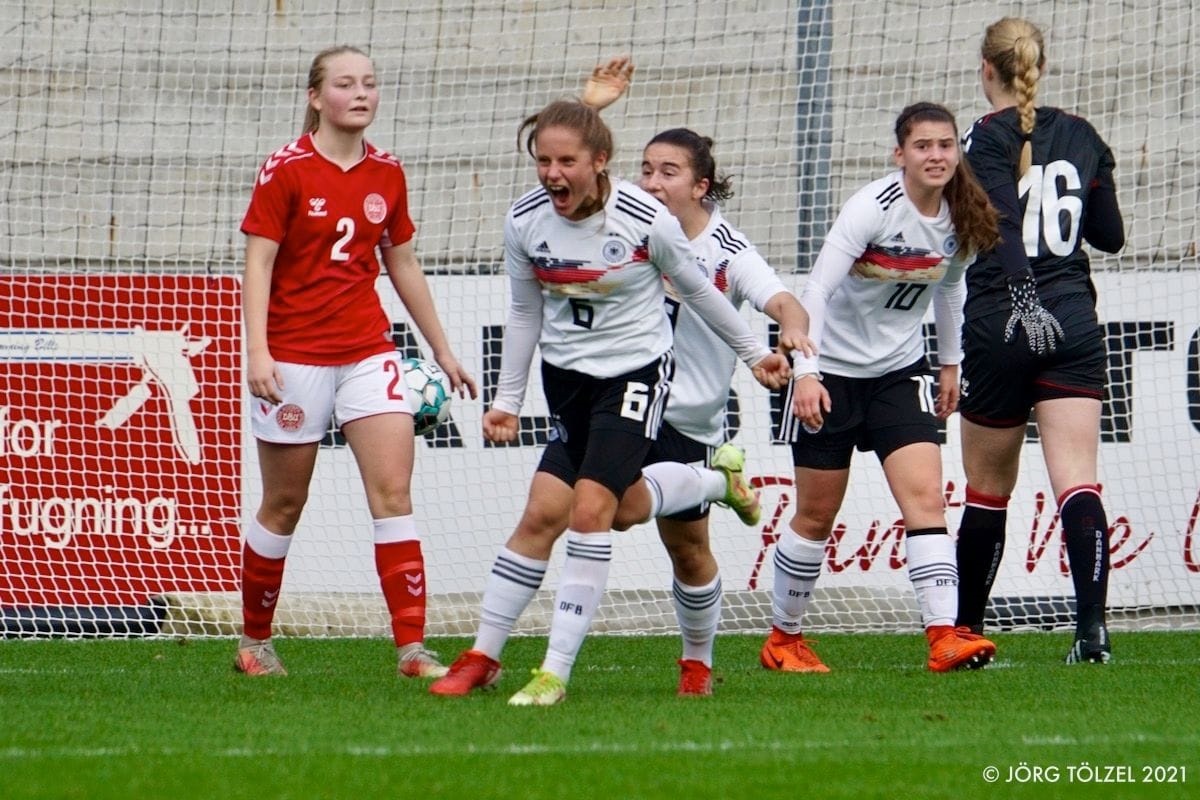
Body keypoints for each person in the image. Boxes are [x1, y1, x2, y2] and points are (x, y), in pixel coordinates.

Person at [430, 58, 813, 700]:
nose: (553, 176)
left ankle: (559, 670)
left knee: (604, 516)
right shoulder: (526, 220)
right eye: (542, 163)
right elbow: (525, 311)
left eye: (567, 163)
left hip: (643, 380)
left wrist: (757, 354)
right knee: (550, 513)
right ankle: (482, 656)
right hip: (571, 379)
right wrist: (507, 399)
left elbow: (704, 290)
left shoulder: (652, 223)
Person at [235, 46, 478, 677]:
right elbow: (258, 262)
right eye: (345, 84)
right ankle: (254, 641)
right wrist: (257, 350)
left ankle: (411, 649)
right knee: (285, 502)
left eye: (370, 83)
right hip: (293, 357)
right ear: (317, 97)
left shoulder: (388, 172)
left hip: (368, 349)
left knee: (393, 492)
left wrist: (441, 349)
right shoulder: (285, 169)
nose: (361, 93)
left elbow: (401, 262)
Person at [764, 102, 1002, 673]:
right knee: (816, 516)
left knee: (926, 499)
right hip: (831, 375)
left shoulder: (962, 215)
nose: (936, 155)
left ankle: (943, 636)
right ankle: (783, 639)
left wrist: (950, 365)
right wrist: (806, 374)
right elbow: (814, 293)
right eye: (923, 146)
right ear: (901, 155)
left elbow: (948, 291)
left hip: (900, 372)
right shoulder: (872, 208)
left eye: (945, 145)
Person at [954, 17, 1125, 664]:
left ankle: (964, 632)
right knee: (1078, 482)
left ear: (986, 70)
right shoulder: (1082, 134)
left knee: (987, 488)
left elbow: (997, 224)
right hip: (1074, 320)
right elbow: (1108, 237)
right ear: (1040, 67)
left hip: (1003, 320)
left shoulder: (984, 136)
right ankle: (1092, 632)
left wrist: (1023, 302)